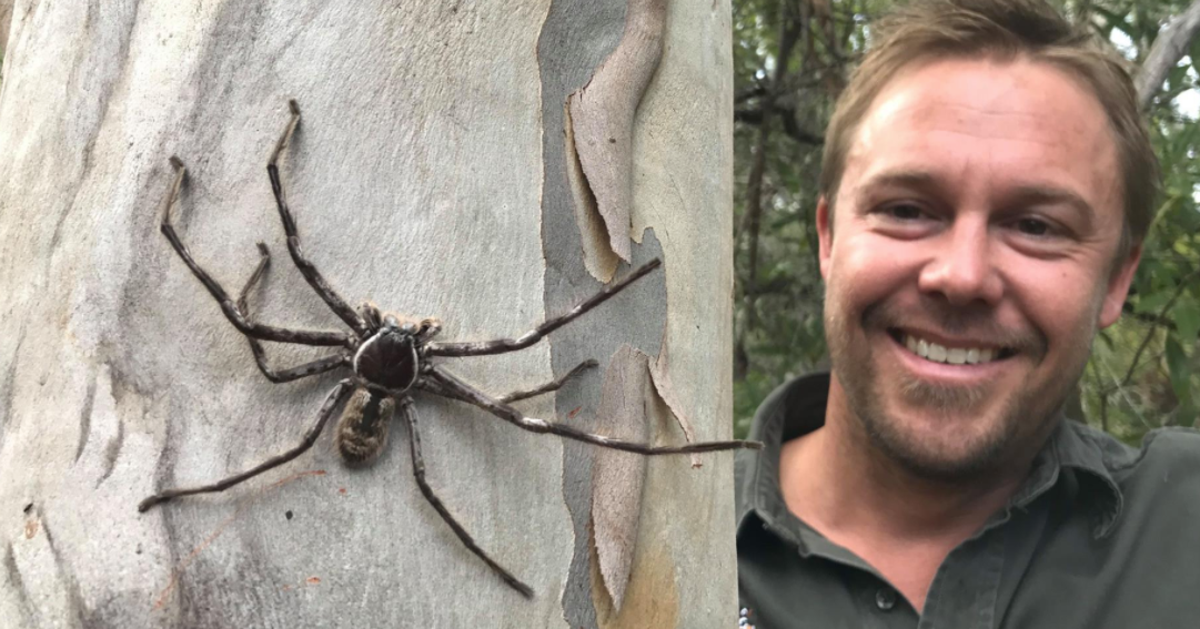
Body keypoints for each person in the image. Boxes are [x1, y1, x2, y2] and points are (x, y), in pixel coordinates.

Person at [734, 0, 1200, 626]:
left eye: (1035, 226)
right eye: (906, 209)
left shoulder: (1180, 528)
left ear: (1117, 279)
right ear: (827, 237)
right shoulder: (639, 519)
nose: (962, 276)